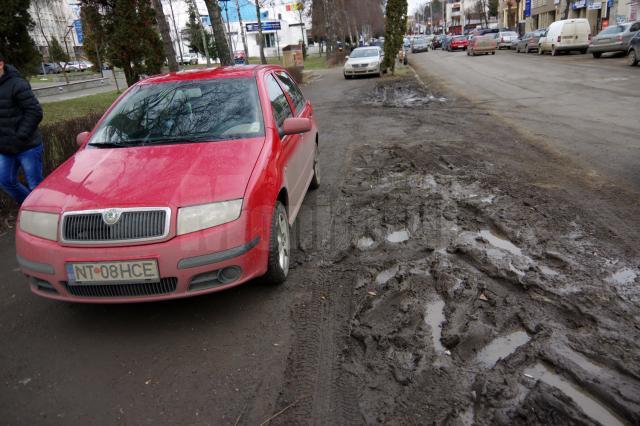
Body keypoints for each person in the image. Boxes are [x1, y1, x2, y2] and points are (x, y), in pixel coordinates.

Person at [0, 53, 44, 204]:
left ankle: (41, 214)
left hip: (27, 147)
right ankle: (30, 207)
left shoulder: (17, 84)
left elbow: (35, 112)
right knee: (6, 181)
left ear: (1, 64)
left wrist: (20, 136)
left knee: (35, 186)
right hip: (5, 149)